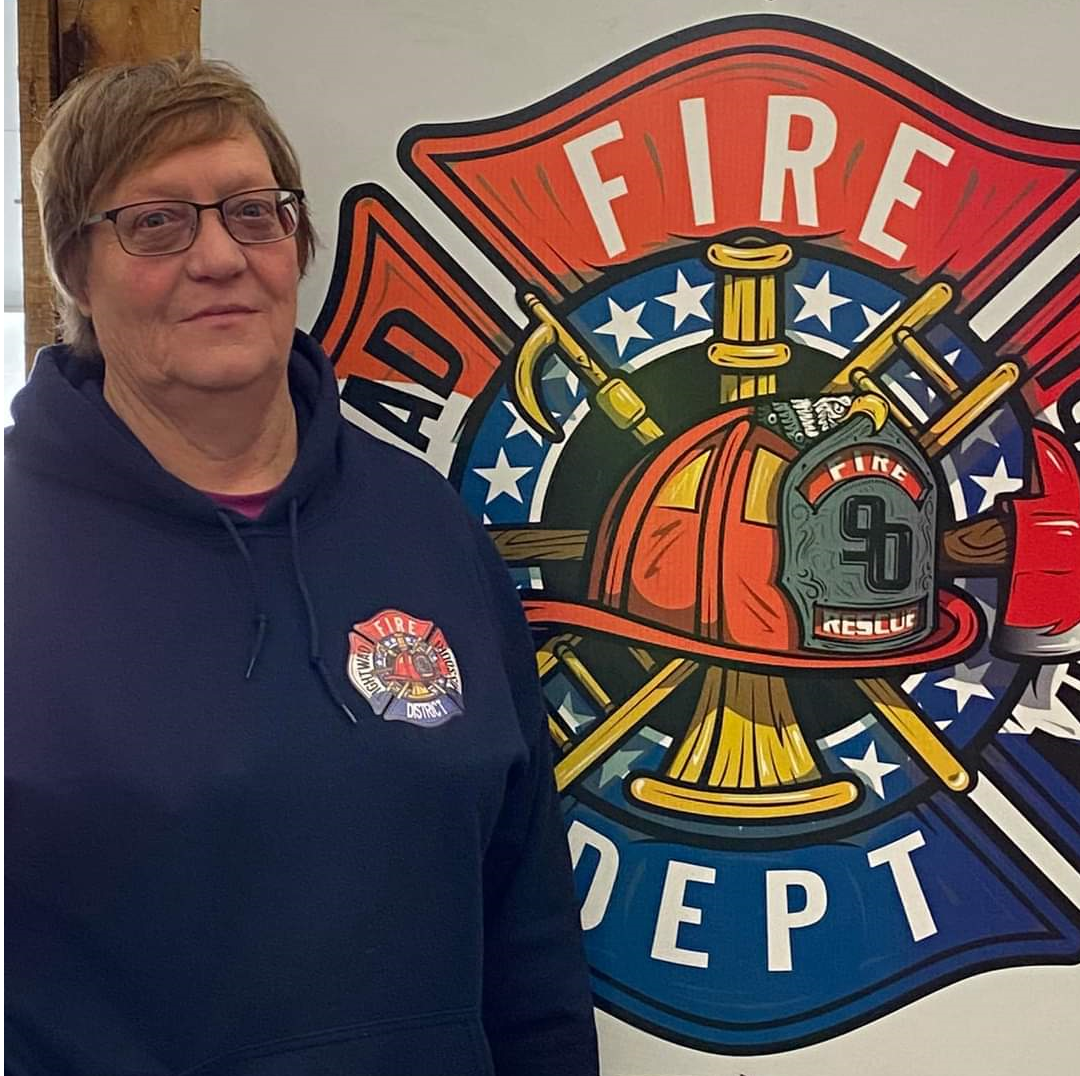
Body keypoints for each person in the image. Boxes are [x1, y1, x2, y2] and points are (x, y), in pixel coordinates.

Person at [5, 55, 599, 1076]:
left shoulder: (428, 527)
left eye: (254, 212)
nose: (220, 257)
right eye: (156, 222)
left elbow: (528, 922)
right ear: (72, 269)